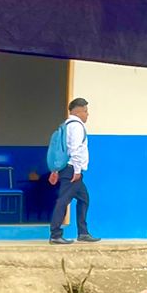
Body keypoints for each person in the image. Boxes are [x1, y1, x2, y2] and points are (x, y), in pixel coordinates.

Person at [48, 98, 99, 245]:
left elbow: (60, 151)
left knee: (84, 198)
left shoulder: (66, 125)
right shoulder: (77, 126)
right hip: (72, 170)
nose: (87, 114)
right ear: (78, 111)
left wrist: (55, 170)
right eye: (85, 111)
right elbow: (74, 149)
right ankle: (55, 234)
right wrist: (77, 171)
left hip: (67, 168)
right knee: (63, 200)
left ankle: (83, 232)